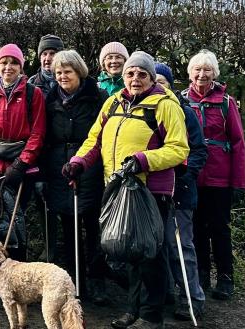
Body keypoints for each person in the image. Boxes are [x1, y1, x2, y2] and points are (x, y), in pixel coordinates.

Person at [64, 51, 189, 329]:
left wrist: (144, 159)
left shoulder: (165, 105)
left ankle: (151, 315)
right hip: (118, 187)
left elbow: (179, 150)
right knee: (131, 254)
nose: (135, 79)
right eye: (130, 73)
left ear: (150, 77)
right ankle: (132, 311)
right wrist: (78, 162)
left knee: (150, 253)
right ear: (124, 76)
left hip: (151, 189)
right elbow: (94, 140)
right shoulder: (113, 102)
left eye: (142, 74)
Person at [37, 50, 109, 304]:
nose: (62, 76)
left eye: (67, 71)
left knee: (93, 227)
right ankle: (75, 281)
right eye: (58, 73)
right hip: (59, 167)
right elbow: (44, 138)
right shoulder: (49, 99)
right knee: (68, 227)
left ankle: (97, 280)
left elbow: (104, 135)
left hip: (89, 164)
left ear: (79, 72)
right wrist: (45, 173)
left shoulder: (97, 97)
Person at [182, 49, 245, 301]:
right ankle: (200, 274)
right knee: (195, 227)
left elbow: (239, 143)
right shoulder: (182, 100)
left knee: (219, 228)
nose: (201, 74)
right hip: (191, 176)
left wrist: (239, 183)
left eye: (207, 69)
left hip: (219, 177)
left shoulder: (226, 102)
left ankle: (225, 277)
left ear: (214, 73)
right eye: (197, 69)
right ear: (190, 73)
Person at [0, 44, 46, 262]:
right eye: (4, 62)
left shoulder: (34, 94)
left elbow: (37, 133)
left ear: (21, 67)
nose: (8, 67)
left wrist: (22, 164)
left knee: (17, 220)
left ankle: (17, 272)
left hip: (20, 168)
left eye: (14, 62)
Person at [156, 62, 209, 320]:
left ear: (171, 85)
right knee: (160, 243)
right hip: (156, 189)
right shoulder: (150, 111)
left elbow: (199, 150)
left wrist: (185, 174)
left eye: (162, 83)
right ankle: (166, 291)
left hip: (181, 188)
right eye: (154, 83)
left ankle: (192, 297)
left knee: (181, 246)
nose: (158, 87)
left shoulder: (184, 112)